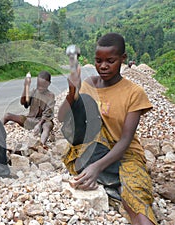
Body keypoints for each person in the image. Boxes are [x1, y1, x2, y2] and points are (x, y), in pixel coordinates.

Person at [58, 33, 157, 225]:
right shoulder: (89, 85)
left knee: (136, 197)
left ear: (123, 59)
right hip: (94, 147)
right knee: (84, 110)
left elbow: (125, 140)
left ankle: (115, 183)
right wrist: (72, 92)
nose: (103, 66)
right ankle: (113, 180)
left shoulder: (134, 93)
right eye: (98, 61)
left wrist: (96, 167)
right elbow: (62, 118)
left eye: (110, 61)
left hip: (124, 153)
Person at [3, 71, 55, 148]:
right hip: (30, 120)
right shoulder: (33, 92)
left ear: (48, 84)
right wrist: (26, 86)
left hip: (43, 122)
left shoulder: (51, 95)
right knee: (7, 115)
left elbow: (47, 114)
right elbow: (23, 102)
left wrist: (39, 125)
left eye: (43, 86)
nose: (40, 88)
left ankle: (41, 144)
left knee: (47, 126)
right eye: (38, 85)